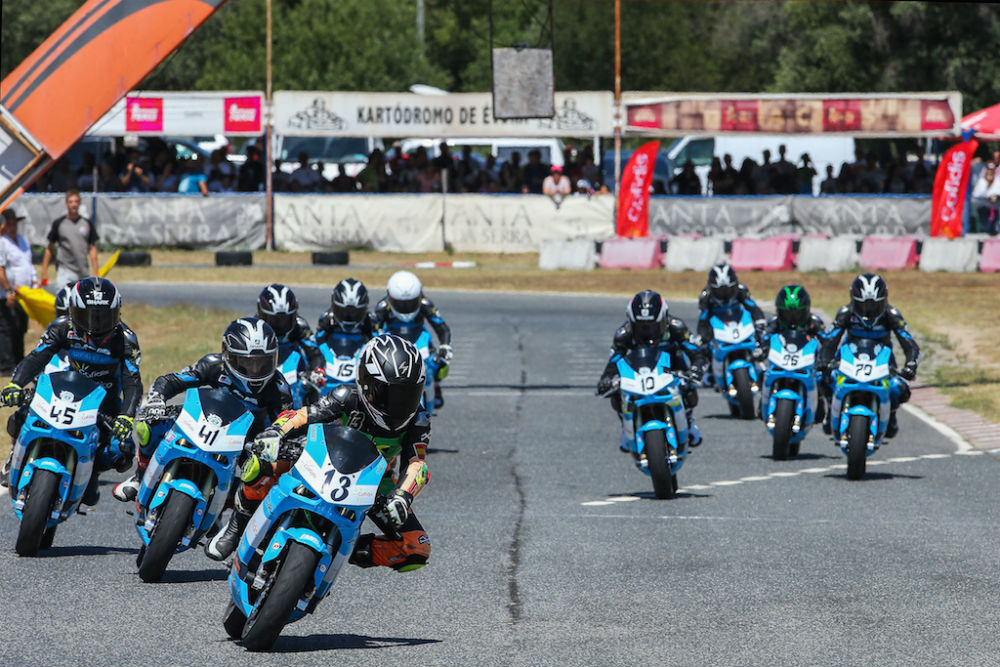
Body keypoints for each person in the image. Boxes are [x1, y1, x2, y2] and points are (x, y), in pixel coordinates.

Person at [209, 335, 432, 571]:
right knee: (262, 464)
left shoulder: (419, 420)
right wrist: (276, 432)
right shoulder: (346, 396)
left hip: (375, 481)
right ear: (367, 383)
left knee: (417, 547)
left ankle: (347, 548)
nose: (401, 403)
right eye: (391, 393)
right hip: (321, 457)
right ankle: (236, 528)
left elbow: (417, 464)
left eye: (409, 393)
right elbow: (303, 415)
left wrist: (403, 495)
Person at [113, 317, 292, 503]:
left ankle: (238, 517)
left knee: (263, 477)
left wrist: (278, 442)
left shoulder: (279, 388)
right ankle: (140, 477)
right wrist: (157, 400)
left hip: (247, 441)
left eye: (262, 362)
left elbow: (287, 421)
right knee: (149, 426)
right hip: (204, 421)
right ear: (229, 356)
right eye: (247, 362)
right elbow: (170, 381)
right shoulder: (214, 364)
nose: (255, 369)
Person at [0, 278, 141, 504]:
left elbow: (132, 382)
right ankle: (15, 456)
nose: (95, 325)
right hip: (67, 391)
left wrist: (126, 416)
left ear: (117, 312)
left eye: (103, 316)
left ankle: (91, 471)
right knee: (22, 415)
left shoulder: (126, 340)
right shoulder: (61, 327)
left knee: (122, 451)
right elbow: (36, 358)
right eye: (88, 316)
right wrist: (15, 384)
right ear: (73, 311)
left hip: (104, 405)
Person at [596, 290, 703, 450]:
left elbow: (696, 352)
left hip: (671, 369)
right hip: (639, 372)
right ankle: (626, 428)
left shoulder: (676, 327)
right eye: (641, 328)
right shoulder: (623, 334)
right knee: (616, 391)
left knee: (688, 384)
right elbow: (613, 361)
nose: (647, 333)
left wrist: (696, 368)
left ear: (664, 319)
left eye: (653, 326)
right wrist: (606, 379)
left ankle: (688, 421)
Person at [817, 274, 920, 438]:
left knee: (900, 389)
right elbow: (830, 340)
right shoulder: (845, 312)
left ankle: (891, 413)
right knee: (822, 378)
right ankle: (831, 409)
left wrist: (911, 365)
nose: (868, 310)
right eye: (863, 305)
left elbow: (910, 344)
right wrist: (824, 361)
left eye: (874, 305)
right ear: (853, 300)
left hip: (883, 361)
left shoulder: (892, 314)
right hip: (848, 357)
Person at [374, 271, 452, 408]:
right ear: (390, 298)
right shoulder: (382, 307)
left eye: (410, 303)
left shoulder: (425, 304)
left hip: (419, 339)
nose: (406, 308)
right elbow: (373, 330)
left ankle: (436, 386)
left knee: (439, 363)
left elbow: (442, 328)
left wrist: (445, 347)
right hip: (392, 340)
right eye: (400, 304)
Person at [761, 285, 827, 424]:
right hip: (782, 357)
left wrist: (825, 359)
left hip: (806, 359)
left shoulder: (814, 322)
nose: (792, 319)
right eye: (787, 314)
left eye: (797, 314)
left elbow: (827, 341)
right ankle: (763, 400)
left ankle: (822, 402)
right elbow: (764, 338)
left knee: (825, 378)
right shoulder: (774, 322)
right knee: (763, 371)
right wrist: (762, 349)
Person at [696, 263, 766, 384]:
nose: (725, 294)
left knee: (762, 337)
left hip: (738, 319)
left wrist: (760, 322)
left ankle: (761, 365)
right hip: (717, 323)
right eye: (720, 291)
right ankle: (710, 369)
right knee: (703, 346)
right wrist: (702, 336)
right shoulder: (705, 296)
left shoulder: (741, 290)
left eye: (728, 290)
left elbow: (753, 308)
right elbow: (703, 319)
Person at [256, 284, 325, 389]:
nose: (280, 325)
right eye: (274, 320)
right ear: (262, 315)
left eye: (284, 320)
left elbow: (315, 353)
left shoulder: (300, 326)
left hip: (296, 377)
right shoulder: (255, 329)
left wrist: (317, 372)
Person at [0, 209, 37, 372]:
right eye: (9, 224)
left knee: (20, 327)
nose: (12, 227)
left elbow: (28, 263)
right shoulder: (3, 243)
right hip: (9, 293)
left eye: (14, 224)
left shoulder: (22, 240)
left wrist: (34, 280)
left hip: (24, 293)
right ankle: (6, 363)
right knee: (7, 328)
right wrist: (9, 289)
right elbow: (1, 269)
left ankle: (18, 359)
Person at [40, 189, 99, 287]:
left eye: (76, 201)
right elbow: (49, 248)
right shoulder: (59, 223)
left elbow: (92, 249)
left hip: (83, 271)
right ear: (66, 203)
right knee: (64, 296)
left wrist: (96, 272)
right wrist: (44, 271)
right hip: (65, 270)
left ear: (79, 203)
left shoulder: (87, 223)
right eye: (71, 202)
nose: (73, 205)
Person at [315, 278, 376, 346]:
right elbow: (316, 344)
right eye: (343, 311)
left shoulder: (370, 322)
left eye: (354, 312)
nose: (348, 316)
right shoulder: (326, 320)